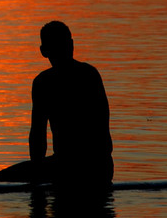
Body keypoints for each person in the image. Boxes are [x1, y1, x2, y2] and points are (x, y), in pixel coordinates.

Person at [28, 21, 113, 193]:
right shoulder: (90, 74)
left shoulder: (43, 83)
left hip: (76, 167)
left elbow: (37, 135)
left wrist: (35, 173)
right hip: (100, 167)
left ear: (43, 51)